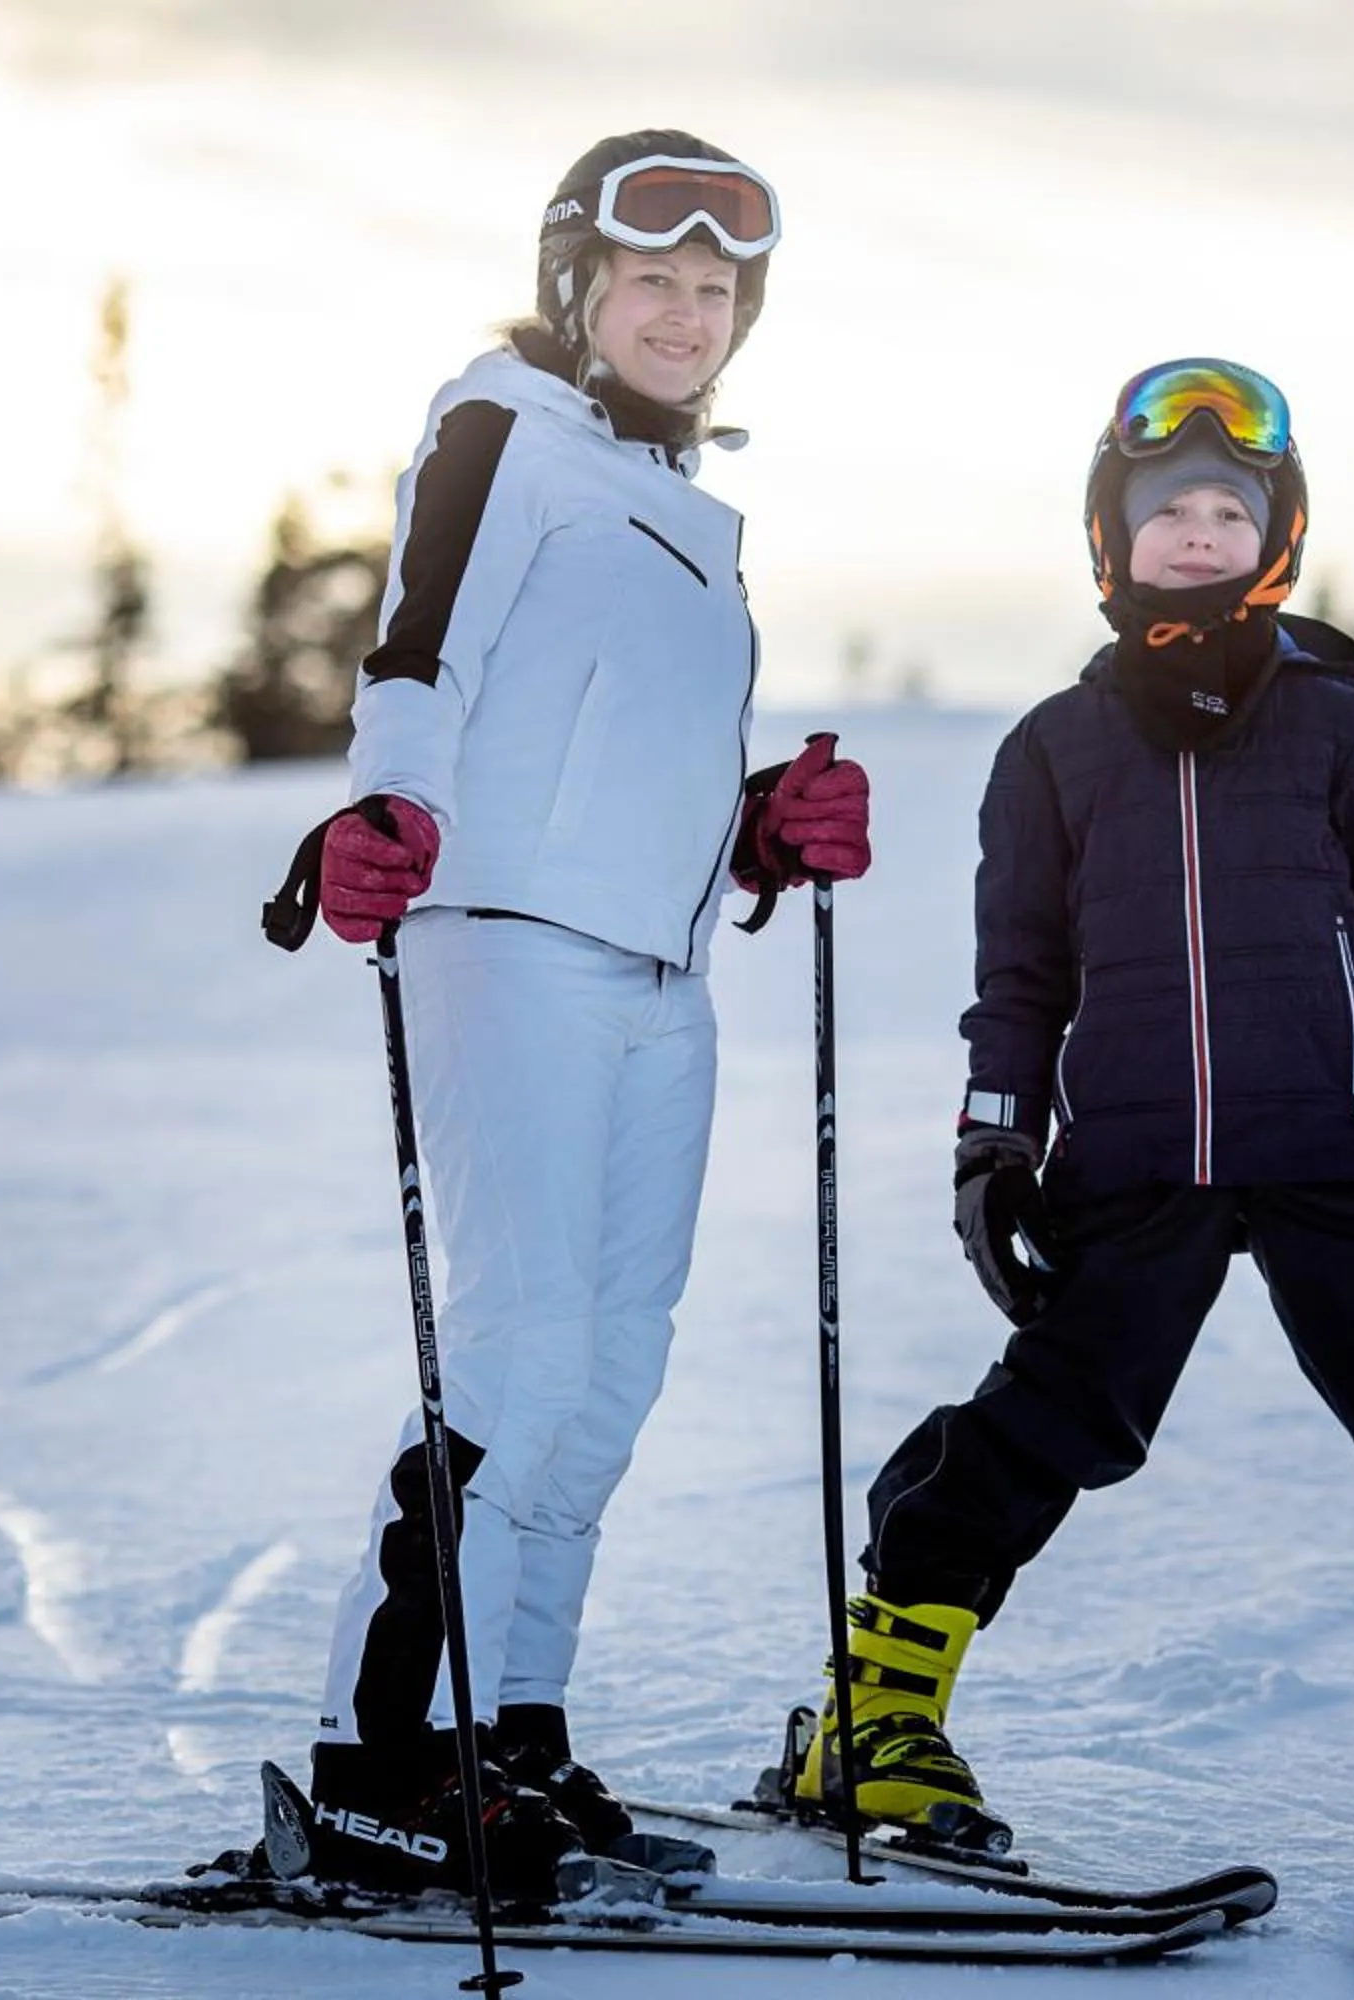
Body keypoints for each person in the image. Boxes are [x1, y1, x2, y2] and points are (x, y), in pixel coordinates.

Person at [790, 358, 1354, 1875]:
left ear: (1277, 535)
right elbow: (1019, 973)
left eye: (1232, 507)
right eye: (1169, 510)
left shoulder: (1350, 728)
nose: (1200, 532)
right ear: (1110, 538)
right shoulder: (1051, 751)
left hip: (1341, 1150)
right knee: (1045, 1424)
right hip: (1133, 1161)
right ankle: (872, 1712)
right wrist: (994, 1139)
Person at [285, 130, 873, 1902]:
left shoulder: (691, 509)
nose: (688, 313)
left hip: (660, 972)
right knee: (523, 1353)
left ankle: (507, 1735)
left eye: (719, 291)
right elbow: (421, 644)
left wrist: (753, 822)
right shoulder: (500, 428)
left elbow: (620, 736)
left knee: (611, 1376)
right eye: (655, 280)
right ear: (576, 285)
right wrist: (383, 804)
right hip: (510, 938)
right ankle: (379, 1762)